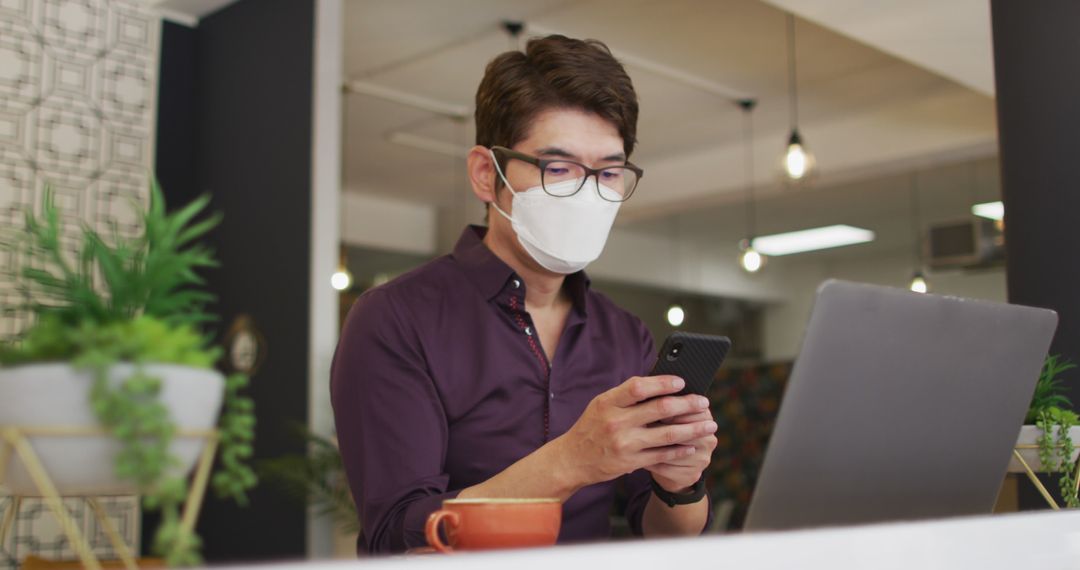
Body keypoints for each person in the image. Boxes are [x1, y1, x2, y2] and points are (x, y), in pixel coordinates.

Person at [330, 34, 717, 555]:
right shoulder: (395, 318)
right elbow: (395, 539)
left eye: (607, 172)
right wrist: (573, 460)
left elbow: (662, 534)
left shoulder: (624, 334)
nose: (587, 194)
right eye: (558, 169)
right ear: (487, 174)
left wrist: (681, 483)